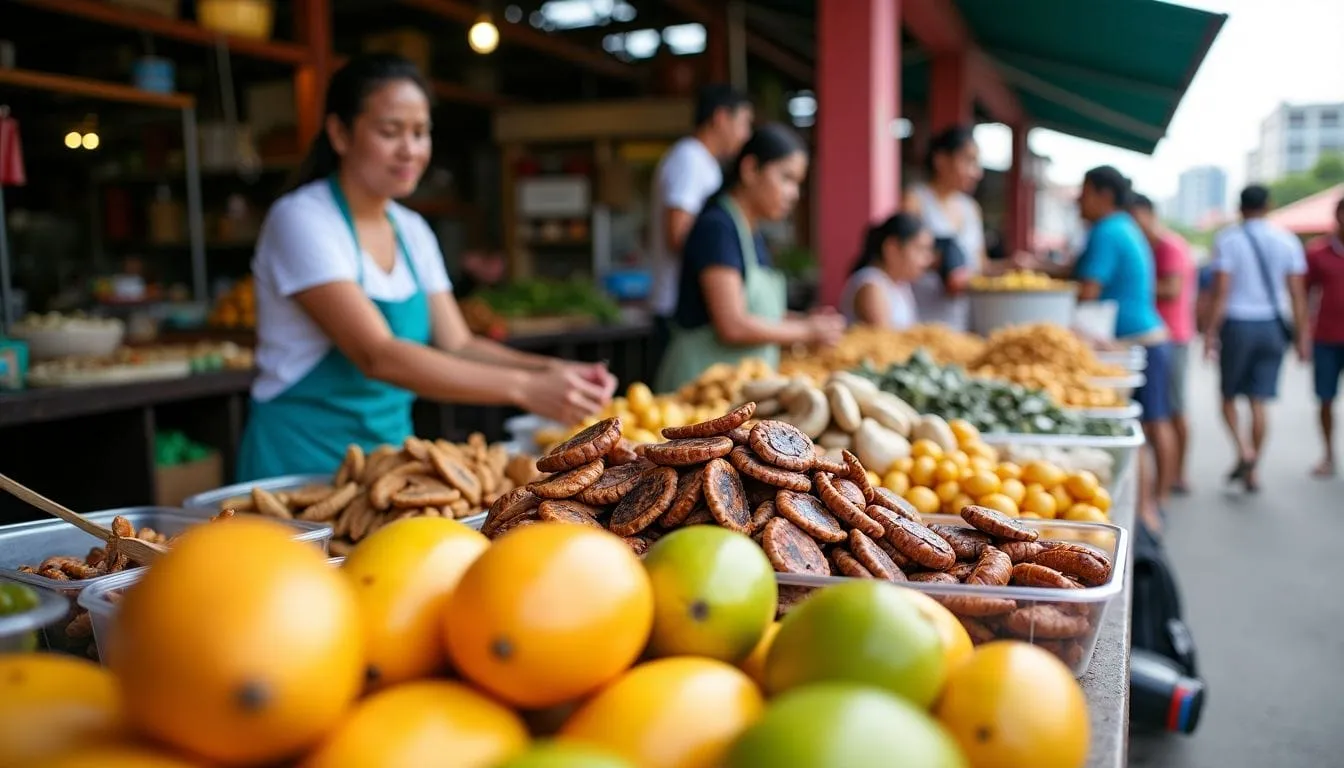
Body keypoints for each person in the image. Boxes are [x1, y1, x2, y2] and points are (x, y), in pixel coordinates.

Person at [237, 54, 616, 481]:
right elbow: (377, 355)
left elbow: (456, 342)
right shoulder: (303, 219)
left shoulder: (412, 230)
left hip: (386, 466)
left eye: (420, 133)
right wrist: (525, 389)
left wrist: (549, 370)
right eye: (390, 131)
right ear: (340, 134)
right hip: (298, 463)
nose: (410, 150)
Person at [654, 123, 844, 392]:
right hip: (698, 391)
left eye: (798, 183)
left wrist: (805, 322)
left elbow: (756, 314)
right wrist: (807, 331)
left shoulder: (749, 232)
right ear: (750, 169)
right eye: (786, 178)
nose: (794, 194)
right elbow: (732, 324)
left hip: (734, 391)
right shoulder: (717, 227)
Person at [1069, 166, 1174, 529]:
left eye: (1084, 191)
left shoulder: (1107, 230)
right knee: (1154, 423)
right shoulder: (1125, 226)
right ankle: (1157, 503)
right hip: (1146, 336)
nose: (1078, 199)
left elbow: (1088, 291)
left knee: (1142, 430)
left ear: (1103, 194)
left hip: (1132, 341)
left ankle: (1148, 511)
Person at [1203, 184, 1309, 492]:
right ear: (1269, 204)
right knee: (1259, 400)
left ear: (1240, 207)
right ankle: (1254, 470)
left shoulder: (1228, 240)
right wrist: (1303, 337)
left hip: (1237, 325)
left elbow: (1221, 291)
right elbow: (1297, 295)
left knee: (1227, 397)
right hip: (1273, 326)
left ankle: (1244, 449)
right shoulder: (1287, 241)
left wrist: (1210, 333)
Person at [648, 85, 754, 369]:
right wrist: (723, 269)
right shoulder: (689, 158)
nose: (745, 134)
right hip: (677, 306)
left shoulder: (705, 163)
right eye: (743, 123)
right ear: (721, 118)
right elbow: (677, 234)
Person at [1130, 194, 1197, 495]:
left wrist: (1133, 285)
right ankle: (1169, 480)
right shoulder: (1153, 247)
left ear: (1146, 213)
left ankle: (1174, 479)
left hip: (1173, 336)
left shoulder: (1169, 246)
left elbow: (1171, 289)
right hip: (1165, 335)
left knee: (1171, 411)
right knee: (1162, 413)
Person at [902, 126, 988, 330]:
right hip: (921, 320)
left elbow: (982, 265)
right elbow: (902, 257)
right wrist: (943, 263)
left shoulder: (971, 209)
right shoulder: (915, 201)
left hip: (962, 322)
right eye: (968, 160)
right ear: (941, 160)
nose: (977, 172)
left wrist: (1014, 267)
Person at [839, 212, 934, 329]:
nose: (928, 259)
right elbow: (886, 342)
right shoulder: (871, 287)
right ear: (892, 248)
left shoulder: (900, 284)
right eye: (920, 249)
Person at [1305, 197, 1344, 477]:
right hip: (1326, 338)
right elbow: (1305, 295)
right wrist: (1302, 336)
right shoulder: (1318, 252)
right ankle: (1328, 454)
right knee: (1325, 399)